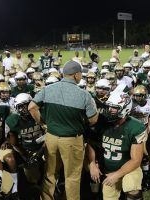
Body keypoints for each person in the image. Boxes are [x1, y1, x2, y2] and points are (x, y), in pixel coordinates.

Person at [28, 60, 98, 200]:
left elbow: (31, 107)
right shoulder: (84, 94)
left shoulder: (48, 89)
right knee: (72, 177)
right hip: (72, 140)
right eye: (80, 74)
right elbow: (93, 120)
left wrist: (43, 123)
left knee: (50, 174)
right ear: (76, 74)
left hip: (51, 138)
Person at [87, 92, 146, 200]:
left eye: (114, 108)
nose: (110, 110)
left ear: (125, 109)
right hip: (108, 170)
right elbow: (91, 144)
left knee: (132, 190)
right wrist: (92, 163)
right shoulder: (101, 122)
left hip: (129, 168)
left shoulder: (135, 127)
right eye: (109, 106)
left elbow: (136, 160)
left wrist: (117, 174)